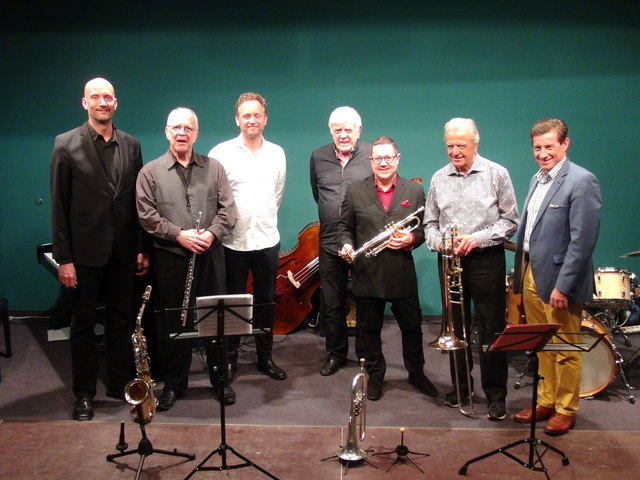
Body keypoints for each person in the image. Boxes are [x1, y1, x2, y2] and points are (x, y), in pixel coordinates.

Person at [50, 77, 149, 421]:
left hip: (122, 252)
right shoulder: (65, 144)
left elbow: (138, 203)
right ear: (85, 103)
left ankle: (119, 381)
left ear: (116, 103)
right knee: (83, 325)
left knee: (121, 321)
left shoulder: (132, 144)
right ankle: (84, 393)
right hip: (84, 255)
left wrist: (139, 247)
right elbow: (59, 207)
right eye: (96, 97)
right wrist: (65, 259)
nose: (102, 102)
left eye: (108, 97)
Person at [136, 107, 237, 411]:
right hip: (171, 258)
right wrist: (178, 234)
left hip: (209, 255)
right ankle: (174, 384)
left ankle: (219, 382)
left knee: (213, 322)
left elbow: (228, 210)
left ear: (196, 134)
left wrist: (212, 233)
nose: (182, 133)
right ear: (167, 132)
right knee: (174, 324)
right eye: (176, 128)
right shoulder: (150, 172)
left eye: (188, 128)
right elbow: (146, 215)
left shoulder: (214, 168)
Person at [424, 118, 519, 421]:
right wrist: (442, 243)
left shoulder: (497, 174)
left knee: (491, 328)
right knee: (456, 327)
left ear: (475, 144)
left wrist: (475, 239)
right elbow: (429, 224)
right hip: (450, 261)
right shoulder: (439, 178)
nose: (454, 151)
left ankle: (495, 395)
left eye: (460, 145)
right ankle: (461, 388)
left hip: (486, 259)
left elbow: (510, 221)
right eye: (449, 145)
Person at [512, 118, 601, 435]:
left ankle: (565, 408)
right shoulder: (538, 179)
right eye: (537, 147)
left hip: (560, 280)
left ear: (565, 144)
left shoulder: (581, 181)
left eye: (549, 146)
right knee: (542, 344)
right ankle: (546, 400)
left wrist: (564, 286)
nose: (543, 153)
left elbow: (583, 242)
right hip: (532, 274)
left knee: (565, 347)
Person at [337, 136, 437, 401]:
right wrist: (346, 244)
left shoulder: (413, 191)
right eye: (377, 158)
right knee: (369, 330)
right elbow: (344, 227)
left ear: (397, 159)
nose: (383, 163)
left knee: (412, 328)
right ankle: (376, 373)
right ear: (371, 161)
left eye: (388, 158)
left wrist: (411, 239)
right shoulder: (355, 190)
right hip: (367, 272)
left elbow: (424, 228)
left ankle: (416, 373)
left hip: (401, 271)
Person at [208, 92, 287, 405]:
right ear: (237, 119)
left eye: (257, 115)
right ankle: (229, 359)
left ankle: (264, 357)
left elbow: (277, 193)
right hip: (232, 242)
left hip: (267, 240)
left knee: (266, 304)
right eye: (246, 115)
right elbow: (215, 197)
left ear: (265, 119)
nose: (252, 120)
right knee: (233, 305)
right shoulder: (221, 153)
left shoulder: (278, 153)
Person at [310, 106, 371, 376]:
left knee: (367, 300)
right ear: (331, 131)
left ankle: (367, 355)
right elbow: (317, 193)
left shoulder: (371, 155)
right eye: (338, 129)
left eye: (348, 129)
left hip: (362, 240)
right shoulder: (318, 157)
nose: (343, 134)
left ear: (358, 130)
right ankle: (335, 354)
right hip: (329, 240)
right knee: (332, 303)